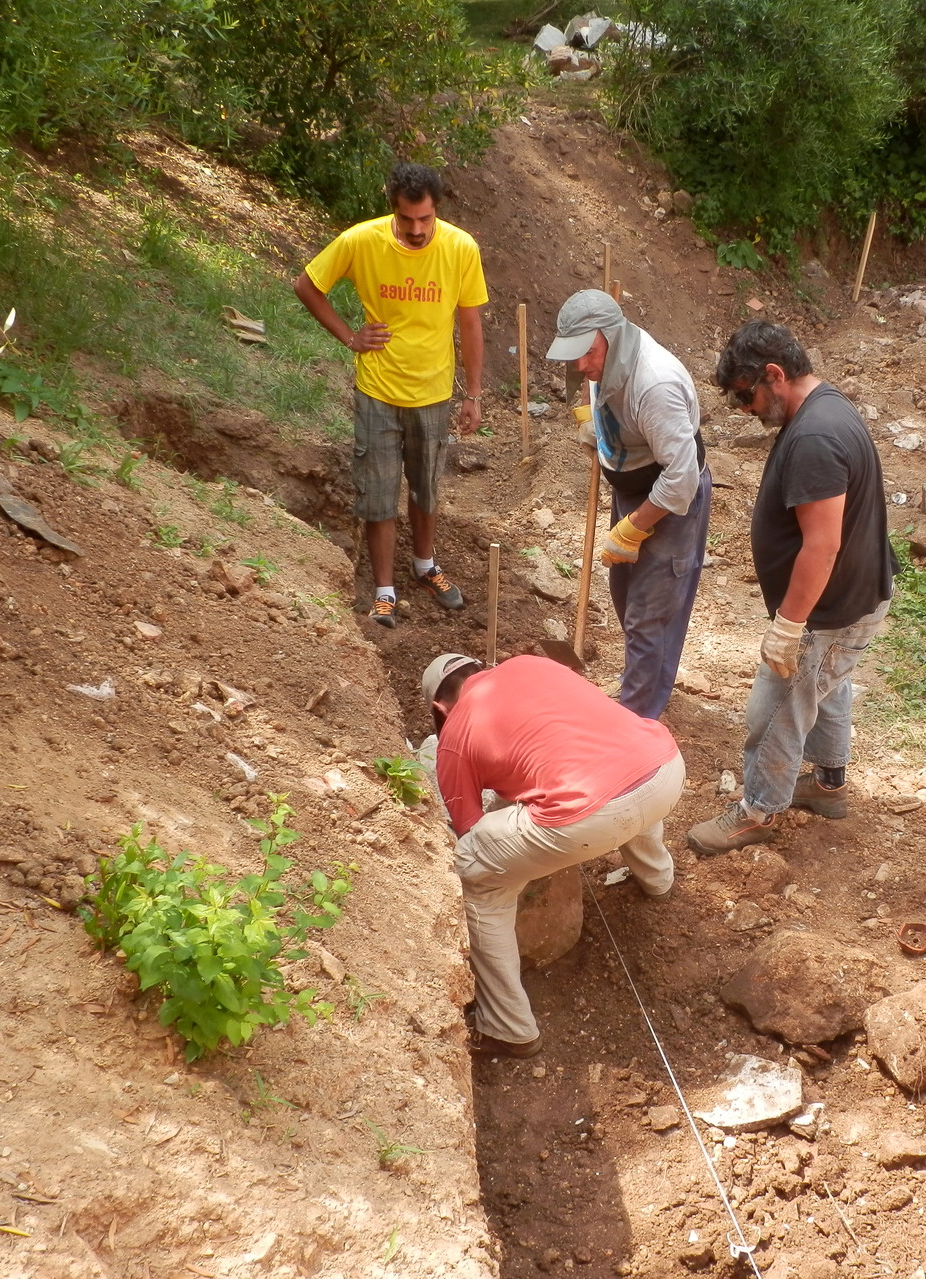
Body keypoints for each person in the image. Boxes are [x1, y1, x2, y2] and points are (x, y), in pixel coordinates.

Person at [685, 320, 897, 855]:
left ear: (774, 375)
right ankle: (828, 787)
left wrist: (789, 626)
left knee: (777, 707)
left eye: (745, 395)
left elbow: (820, 546)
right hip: (851, 599)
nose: (745, 410)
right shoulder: (826, 408)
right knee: (825, 691)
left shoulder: (816, 439)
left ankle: (758, 810)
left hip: (828, 611)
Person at [424, 651, 685, 1057]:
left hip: (587, 817)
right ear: (481, 669)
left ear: (440, 708)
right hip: (664, 767)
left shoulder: (454, 735)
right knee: (625, 781)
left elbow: (468, 830)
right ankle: (658, 880)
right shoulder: (533, 665)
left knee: (474, 874)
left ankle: (508, 1027)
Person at [293, 162, 488, 629]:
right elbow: (307, 285)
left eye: (426, 219)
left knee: (426, 486)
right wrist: (349, 337)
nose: (418, 230)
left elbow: (470, 322)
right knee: (379, 493)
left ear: (436, 209)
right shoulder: (362, 241)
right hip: (377, 390)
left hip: (433, 392)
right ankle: (384, 590)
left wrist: (474, 394)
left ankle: (425, 565)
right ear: (393, 211)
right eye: (407, 220)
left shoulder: (461, 248)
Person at [544, 290, 711, 719]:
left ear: (611, 337)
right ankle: (649, 676)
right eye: (574, 354)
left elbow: (682, 478)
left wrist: (635, 526)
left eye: (586, 353)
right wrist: (597, 426)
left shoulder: (655, 384)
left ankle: (635, 720)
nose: (580, 365)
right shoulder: (605, 356)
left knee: (648, 613)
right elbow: (600, 388)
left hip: (669, 496)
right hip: (632, 484)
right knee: (624, 593)